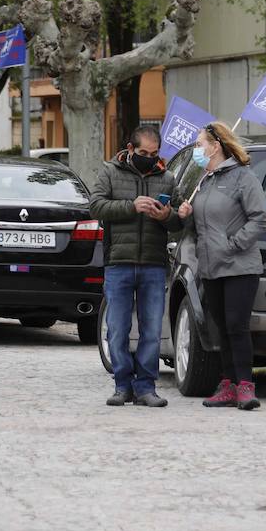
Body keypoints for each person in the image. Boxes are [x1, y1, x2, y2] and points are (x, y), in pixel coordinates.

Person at [177, 121, 266, 410]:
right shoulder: (204, 179)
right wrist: (187, 215)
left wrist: (234, 246)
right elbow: (202, 226)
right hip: (211, 267)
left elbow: (260, 218)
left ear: (215, 146)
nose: (197, 149)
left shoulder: (243, 177)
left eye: (199, 144)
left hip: (240, 266)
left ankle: (245, 386)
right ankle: (228, 384)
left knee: (236, 326)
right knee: (221, 328)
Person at [89, 125, 182, 408]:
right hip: (118, 262)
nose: (149, 158)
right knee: (117, 328)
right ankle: (122, 385)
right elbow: (95, 206)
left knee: (152, 329)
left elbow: (179, 222)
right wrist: (132, 206)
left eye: (154, 154)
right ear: (130, 150)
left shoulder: (167, 178)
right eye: (143, 153)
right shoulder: (110, 173)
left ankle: (146, 387)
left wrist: (168, 215)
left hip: (154, 264)